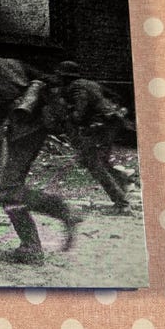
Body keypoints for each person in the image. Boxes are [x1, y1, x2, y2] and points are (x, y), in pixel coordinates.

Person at [0, 38, 79, 264]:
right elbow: (43, 81)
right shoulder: (12, 63)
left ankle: (36, 242)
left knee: (6, 189)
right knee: (8, 186)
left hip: (20, 130)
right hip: (36, 126)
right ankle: (54, 221)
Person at [54, 60, 134, 215]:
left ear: (65, 77)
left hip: (101, 125)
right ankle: (122, 179)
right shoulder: (88, 83)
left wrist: (67, 116)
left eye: (60, 76)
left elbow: (80, 112)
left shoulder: (76, 87)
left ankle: (122, 203)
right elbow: (114, 96)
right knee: (97, 161)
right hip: (109, 123)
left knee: (94, 164)